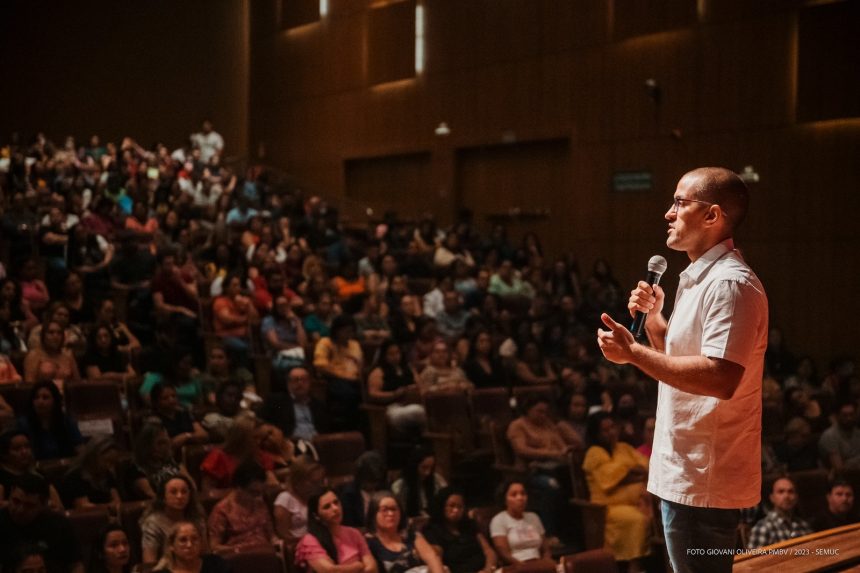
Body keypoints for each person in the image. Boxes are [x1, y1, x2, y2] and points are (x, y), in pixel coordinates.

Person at [597, 167, 768, 573]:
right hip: (688, 470)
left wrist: (633, 354)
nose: (667, 214)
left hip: (703, 478)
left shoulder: (730, 284)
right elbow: (681, 357)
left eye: (678, 202)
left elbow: (720, 378)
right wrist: (655, 320)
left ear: (712, 216)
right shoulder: (697, 278)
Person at [582, 412, 651, 570]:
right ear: (596, 434)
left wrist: (629, 472)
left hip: (635, 501)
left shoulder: (623, 447)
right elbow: (608, 480)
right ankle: (635, 565)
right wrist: (629, 468)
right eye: (605, 430)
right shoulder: (594, 453)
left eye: (612, 427)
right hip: (607, 508)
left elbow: (645, 466)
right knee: (637, 520)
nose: (611, 432)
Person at [0, 473, 84, 573]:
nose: (20, 510)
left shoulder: (58, 525)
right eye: (16, 501)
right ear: (10, 494)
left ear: (44, 505)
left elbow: (75, 565)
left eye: (29, 505)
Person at [294, 488, 376, 573]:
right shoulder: (310, 539)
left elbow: (372, 567)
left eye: (336, 502)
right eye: (327, 507)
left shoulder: (354, 533)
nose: (335, 508)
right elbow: (329, 571)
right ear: (316, 516)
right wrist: (357, 566)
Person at [208, 460, 277, 554]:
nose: (258, 496)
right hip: (239, 559)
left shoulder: (260, 502)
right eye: (253, 492)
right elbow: (214, 547)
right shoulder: (222, 510)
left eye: (261, 492)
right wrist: (239, 550)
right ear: (238, 487)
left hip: (266, 554)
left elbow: (271, 535)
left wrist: (276, 543)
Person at [365, 491, 445, 573]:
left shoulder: (411, 535)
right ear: (374, 515)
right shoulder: (369, 542)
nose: (390, 513)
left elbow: (432, 558)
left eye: (394, 509)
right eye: (384, 510)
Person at [422, 487, 497, 573]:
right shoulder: (432, 530)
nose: (456, 510)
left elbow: (489, 551)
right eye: (452, 506)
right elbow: (436, 557)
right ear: (442, 506)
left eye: (460, 506)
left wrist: (487, 570)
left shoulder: (469, 524)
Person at [140, 475, 209, 568]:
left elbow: (205, 554)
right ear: (163, 497)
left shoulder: (197, 518)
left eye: (184, 492)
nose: (180, 496)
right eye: (173, 492)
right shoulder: (153, 523)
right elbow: (149, 562)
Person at [314, 315, 364, 431]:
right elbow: (320, 366)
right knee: (348, 393)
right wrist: (345, 376)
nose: (349, 334)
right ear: (337, 331)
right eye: (346, 331)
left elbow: (360, 364)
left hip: (355, 380)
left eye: (351, 331)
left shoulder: (355, 344)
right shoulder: (325, 343)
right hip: (333, 379)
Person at [366, 340, 426, 436]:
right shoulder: (378, 372)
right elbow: (373, 394)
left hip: (412, 403)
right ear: (384, 355)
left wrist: (413, 389)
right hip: (392, 408)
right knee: (418, 411)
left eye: (397, 353)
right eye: (391, 354)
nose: (395, 356)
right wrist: (394, 394)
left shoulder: (409, 368)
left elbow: (421, 386)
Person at [17, 381, 84, 460]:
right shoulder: (23, 424)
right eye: (36, 398)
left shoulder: (66, 422)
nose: (40, 401)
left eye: (45, 397)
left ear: (55, 401)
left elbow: (81, 450)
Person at [489, 480, 552, 565]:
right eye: (514, 495)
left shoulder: (533, 517)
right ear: (504, 499)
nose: (520, 498)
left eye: (523, 494)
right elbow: (504, 553)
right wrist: (524, 567)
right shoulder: (499, 520)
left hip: (539, 563)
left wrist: (546, 562)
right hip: (517, 566)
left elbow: (545, 549)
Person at [0, 430, 63, 509]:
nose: (24, 452)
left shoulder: (39, 475)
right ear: (4, 455)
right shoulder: (2, 478)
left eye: (27, 446)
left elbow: (58, 506)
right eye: (16, 449)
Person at [274, 456, 327, 545]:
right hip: (299, 546)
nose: (318, 486)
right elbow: (284, 535)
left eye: (320, 482)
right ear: (298, 480)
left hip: (319, 542)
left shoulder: (317, 498)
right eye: (313, 482)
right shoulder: (285, 498)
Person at [748, 477, 812, 548]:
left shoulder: (803, 525)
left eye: (790, 491)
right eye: (781, 491)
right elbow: (753, 559)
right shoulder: (763, 528)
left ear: (796, 497)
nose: (786, 496)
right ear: (772, 498)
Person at [60, 435, 121, 509]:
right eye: (106, 461)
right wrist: (109, 507)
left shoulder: (107, 475)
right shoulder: (75, 476)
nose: (109, 466)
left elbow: (117, 501)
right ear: (92, 457)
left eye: (112, 462)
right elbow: (83, 506)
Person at [152, 521, 232, 573]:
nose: (189, 545)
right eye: (183, 540)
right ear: (171, 546)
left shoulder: (216, 564)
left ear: (201, 542)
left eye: (194, 539)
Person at [391, 446, 447, 518]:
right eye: (424, 467)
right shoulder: (399, 486)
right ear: (414, 466)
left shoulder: (437, 481)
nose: (428, 473)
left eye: (431, 468)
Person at [818, 402, 860, 471]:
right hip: (841, 479)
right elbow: (839, 469)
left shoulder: (857, 432)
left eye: (851, 414)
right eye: (844, 415)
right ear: (837, 416)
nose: (849, 418)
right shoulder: (830, 436)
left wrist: (848, 463)